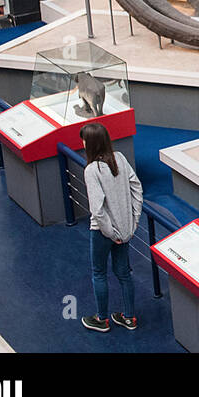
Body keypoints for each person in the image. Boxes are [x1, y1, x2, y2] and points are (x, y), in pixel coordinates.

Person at [80, 121, 143, 333]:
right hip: (125, 231)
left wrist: (111, 233)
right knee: (124, 273)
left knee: (99, 273)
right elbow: (137, 189)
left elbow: (97, 210)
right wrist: (131, 224)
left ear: (91, 144)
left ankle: (102, 319)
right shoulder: (121, 159)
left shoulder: (91, 170)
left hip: (102, 232)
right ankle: (129, 317)